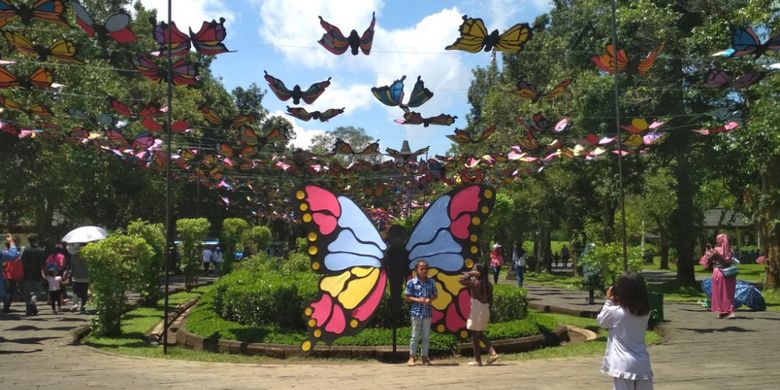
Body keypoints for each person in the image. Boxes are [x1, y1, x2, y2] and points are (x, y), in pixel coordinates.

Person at [597, 272, 653, 390]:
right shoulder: (646, 312)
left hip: (623, 365)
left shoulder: (616, 312)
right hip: (643, 363)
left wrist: (609, 301)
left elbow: (602, 321)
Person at [460, 263, 498, 366]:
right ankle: (481, 358)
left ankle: (488, 353)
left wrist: (468, 273)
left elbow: (461, 281)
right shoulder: (489, 285)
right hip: (485, 309)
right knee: (478, 334)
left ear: (478, 272)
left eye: (474, 270)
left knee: (475, 334)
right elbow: (491, 300)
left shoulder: (475, 282)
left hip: (477, 309)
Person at [405, 259, 437, 366]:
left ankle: (424, 357)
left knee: (426, 336)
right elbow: (407, 297)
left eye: (426, 269)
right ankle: (412, 357)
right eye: (421, 269)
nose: (424, 271)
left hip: (427, 313)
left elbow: (435, 294)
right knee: (415, 335)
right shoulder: (411, 282)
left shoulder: (431, 282)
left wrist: (430, 299)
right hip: (416, 313)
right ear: (416, 270)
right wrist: (419, 300)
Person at [705, 233, 737, 319]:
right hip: (730, 273)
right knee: (729, 293)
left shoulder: (716, 250)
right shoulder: (730, 250)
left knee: (719, 293)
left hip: (719, 272)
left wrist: (708, 252)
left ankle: (727, 311)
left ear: (719, 240)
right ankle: (727, 311)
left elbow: (706, 261)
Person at [21, 235, 46, 316]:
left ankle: (28, 310)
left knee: (27, 293)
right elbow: (43, 263)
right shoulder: (40, 250)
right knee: (38, 290)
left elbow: (22, 261)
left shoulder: (25, 250)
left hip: (27, 274)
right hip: (37, 274)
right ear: (36, 240)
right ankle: (33, 299)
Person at [2, 234, 21, 313]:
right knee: (10, 291)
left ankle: (5, 306)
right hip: (11, 273)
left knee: (5, 291)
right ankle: (6, 307)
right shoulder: (15, 253)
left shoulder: (3, 252)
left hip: (4, 273)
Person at [67, 243, 89, 313]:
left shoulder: (74, 256)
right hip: (86, 277)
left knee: (75, 292)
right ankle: (82, 308)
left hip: (76, 277)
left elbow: (72, 268)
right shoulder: (88, 256)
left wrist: (70, 275)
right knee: (84, 293)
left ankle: (75, 304)